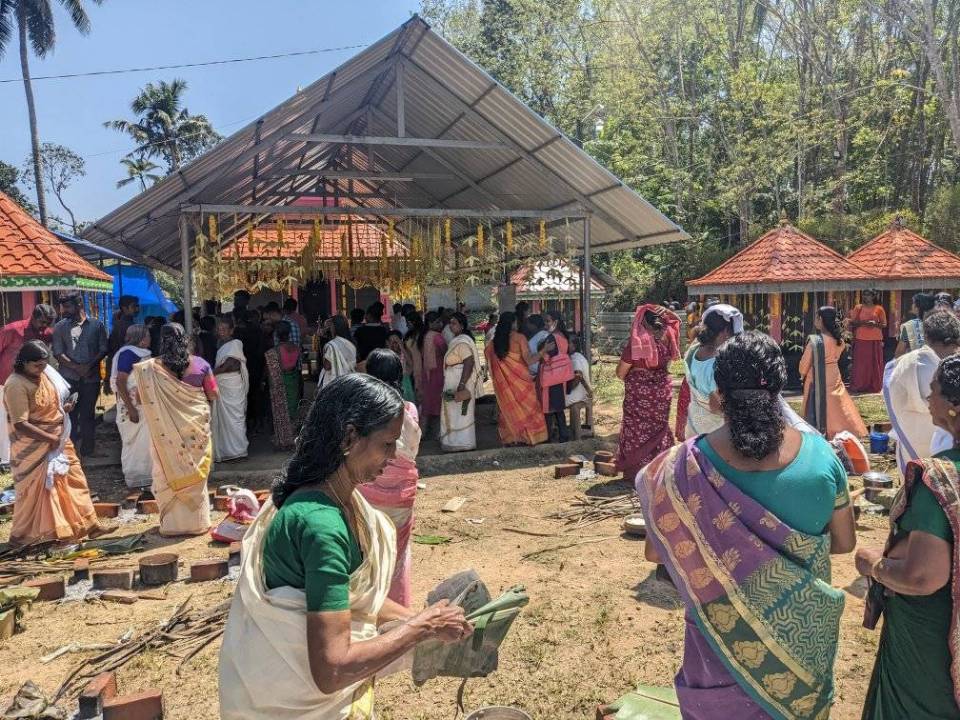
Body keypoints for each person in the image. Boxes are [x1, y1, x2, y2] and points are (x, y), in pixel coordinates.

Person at [218, 374, 471, 719]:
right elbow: (332, 670)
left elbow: (354, 599)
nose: (395, 454)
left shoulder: (335, 499)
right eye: (387, 444)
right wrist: (422, 627)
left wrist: (420, 618)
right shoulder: (322, 525)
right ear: (350, 437)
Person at [636, 332, 856, 719]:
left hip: (717, 643)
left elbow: (657, 552)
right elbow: (843, 542)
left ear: (718, 395)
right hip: (801, 647)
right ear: (778, 392)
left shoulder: (677, 468)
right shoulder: (822, 456)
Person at [857, 351, 960, 720]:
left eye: (933, 391)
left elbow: (921, 576)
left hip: (931, 640)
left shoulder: (940, 480)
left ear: (953, 406)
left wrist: (874, 565)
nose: (928, 399)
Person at [4, 341, 107, 547]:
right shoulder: (16, 384)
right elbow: (21, 423)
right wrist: (49, 438)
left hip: (58, 439)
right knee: (45, 490)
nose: (41, 370)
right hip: (33, 447)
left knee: (74, 479)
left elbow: (51, 405)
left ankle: (88, 525)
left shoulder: (46, 375)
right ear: (23, 363)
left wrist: (65, 409)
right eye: (36, 366)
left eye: (44, 365)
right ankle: (49, 535)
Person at [133, 323, 218, 537]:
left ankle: (172, 526)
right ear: (186, 340)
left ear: (161, 340)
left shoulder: (149, 369)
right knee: (195, 472)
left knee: (166, 471)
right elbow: (213, 394)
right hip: (196, 430)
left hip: (165, 434)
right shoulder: (201, 364)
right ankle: (197, 523)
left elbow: (139, 399)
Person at [358, 349, 422, 606]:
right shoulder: (409, 410)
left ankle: (369, 609)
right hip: (402, 496)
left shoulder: (360, 411)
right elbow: (411, 451)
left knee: (368, 554)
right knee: (397, 553)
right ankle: (397, 610)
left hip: (368, 492)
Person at [884, 311, 960, 477]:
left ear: (926, 337)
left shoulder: (906, 364)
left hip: (912, 447)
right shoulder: (948, 367)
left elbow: (894, 392)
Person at [615, 305, 679, 478]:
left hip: (638, 396)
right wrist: (669, 312)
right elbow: (676, 322)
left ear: (642, 322)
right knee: (660, 429)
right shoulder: (668, 338)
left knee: (637, 431)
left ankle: (637, 471)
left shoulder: (637, 344)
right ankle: (660, 469)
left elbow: (621, 373)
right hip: (661, 394)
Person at [51, 294, 108, 458]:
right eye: (63, 307)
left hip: (91, 378)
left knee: (88, 414)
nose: (64, 311)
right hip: (68, 379)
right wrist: (77, 367)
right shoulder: (60, 327)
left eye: (67, 307)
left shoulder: (97, 325)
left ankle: (88, 450)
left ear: (79, 304)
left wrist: (89, 366)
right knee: (70, 416)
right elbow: (58, 352)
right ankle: (71, 451)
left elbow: (103, 348)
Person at [0, 304, 55, 470]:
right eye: (43, 322)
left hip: (33, 385)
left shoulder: (47, 334)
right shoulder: (13, 330)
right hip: (6, 383)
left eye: (48, 323)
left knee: (29, 420)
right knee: (5, 421)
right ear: (34, 317)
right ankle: (5, 459)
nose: (45, 326)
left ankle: (27, 454)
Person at [800, 306, 868, 439]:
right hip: (834, 373)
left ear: (821, 319)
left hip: (817, 376)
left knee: (818, 403)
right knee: (837, 404)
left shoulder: (815, 341)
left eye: (816, 317)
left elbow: (803, 366)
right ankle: (844, 430)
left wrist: (803, 373)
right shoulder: (840, 341)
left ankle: (819, 432)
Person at [484, 311, 548, 446]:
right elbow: (530, 360)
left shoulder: (492, 343)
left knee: (508, 410)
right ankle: (529, 438)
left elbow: (489, 361)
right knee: (529, 409)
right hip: (523, 383)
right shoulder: (519, 338)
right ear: (513, 322)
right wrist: (543, 351)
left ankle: (511, 439)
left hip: (505, 387)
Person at [683, 304, 741, 438]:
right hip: (716, 432)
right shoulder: (720, 363)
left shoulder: (694, 351)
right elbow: (717, 405)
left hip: (695, 425)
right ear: (726, 331)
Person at [110, 324, 153, 489]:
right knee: (135, 443)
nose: (150, 339)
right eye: (148, 336)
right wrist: (131, 408)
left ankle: (148, 476)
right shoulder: (128, 354)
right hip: (133, 406)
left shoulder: (140, 353)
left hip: (144, 405)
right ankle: (136, 477)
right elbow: (121, 381)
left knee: (145, 441)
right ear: (141, 340)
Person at [440, 312, 483, 452]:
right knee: (453, 412)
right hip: (453, 378)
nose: (451, 326)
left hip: (459, 380)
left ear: (462, 326)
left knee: (461, 413)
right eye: (450, 323)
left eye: (454, 323)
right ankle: (453, 441)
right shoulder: (457, 340)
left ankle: (463, 443)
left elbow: (469, 362)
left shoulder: (463, 342)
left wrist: (462, 384)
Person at [212, 318, 249, 462]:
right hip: (222, 384)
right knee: (224, 420)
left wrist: (211, 373)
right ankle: (227, 451)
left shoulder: (235, 343)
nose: (221, 332)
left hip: (232, 384)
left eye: (224, 329)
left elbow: (230, 365)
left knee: (236, 419)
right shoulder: (221, 345)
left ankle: (239, 450)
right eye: (219, 329)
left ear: (231, 330)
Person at [536, 311, 575, 443]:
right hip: (561, 375)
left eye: (548, 321)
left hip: (550, 376)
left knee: (547, 409)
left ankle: (548, 437)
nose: (546, 324)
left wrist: (541, 353)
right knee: (559, 409)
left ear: (555, 322)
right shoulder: (563, 336)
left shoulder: (552, 338)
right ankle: (563, 435)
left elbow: (547, 356)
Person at [265, 321, 300, 449]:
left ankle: (283, 440)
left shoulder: (274, 351)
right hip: (293, 379)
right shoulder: (296, 347)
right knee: (292, 409)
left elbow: (271, 372)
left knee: (281, 411)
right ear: (289, 333)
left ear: (276, 334)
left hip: (280, 381)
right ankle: (293, 438)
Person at [849, 290, 887, 393]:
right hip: (861, 338)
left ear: (873, 296)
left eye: (868, 295)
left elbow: (884, 324)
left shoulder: (879, 309)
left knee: (875, 364)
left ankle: (874, 386)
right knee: (861, 364)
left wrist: (874, 324)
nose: (866, 297)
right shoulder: (858, 308)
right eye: (864, 295)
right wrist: (864, 322)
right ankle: (859, 386)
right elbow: (852, 323)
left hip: (875, 339)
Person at [417, 311, 447, 436]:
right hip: (438, 372)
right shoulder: (437, 337)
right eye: (437, 322)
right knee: (439, 402)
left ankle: (422, 432)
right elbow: (445, 352)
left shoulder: (424, 335)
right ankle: (439, 432)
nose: (440, 324)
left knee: (427, 402)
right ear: (430, 323)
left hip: (427, 372)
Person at [106, 295, 140, 386]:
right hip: (125, 371)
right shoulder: (124, 326)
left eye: (137, 306)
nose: (137, 309)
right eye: (134, 306)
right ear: (125, 308)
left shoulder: (128, 324)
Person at [566, 334, 593, 440]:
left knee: (556, 403)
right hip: (584, 393)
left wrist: (568, 389)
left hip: (580, 395)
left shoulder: (575, 359)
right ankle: (572, 432)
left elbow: (577, 377)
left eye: (568, 343)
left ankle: (567, 433)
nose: (565, 345)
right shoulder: (580, 357)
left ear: (574, 345)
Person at [319, 315, 357, 389]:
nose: (329, 328)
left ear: (335, 327)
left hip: (334, 383)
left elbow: (327, 366)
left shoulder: (332, 345)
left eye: (330, 326)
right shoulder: (351, 343)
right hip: (349, 380)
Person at [895, 292, 937, 358]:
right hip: (935, 363)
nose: (912, 305)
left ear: (917, 307)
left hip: (916, 364)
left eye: (913, 303)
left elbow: (900, 352)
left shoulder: (909, 326)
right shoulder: (938, 323)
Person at [387, 330, 416, 403]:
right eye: (391, 342)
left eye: (396, 342)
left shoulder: (404, 353)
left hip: (404, 381)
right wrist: (390, 347)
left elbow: (411, 363)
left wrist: (401, 346)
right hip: (392, 381)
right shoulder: (387, 353)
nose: (394, 344)